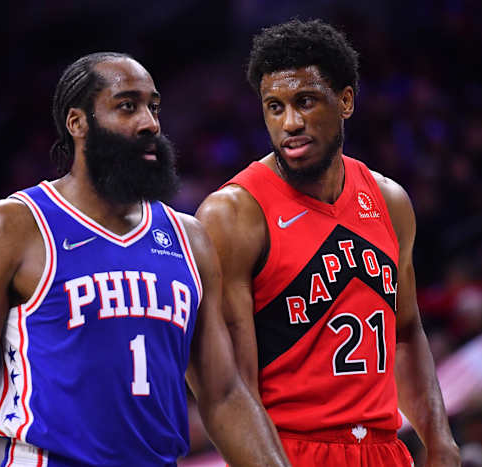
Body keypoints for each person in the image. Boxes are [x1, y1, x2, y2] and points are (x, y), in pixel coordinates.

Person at [0, 52, 289, 467]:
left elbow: (224, 394)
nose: (150, 123)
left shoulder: (189, 238)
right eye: (127, 106)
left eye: (153, 107)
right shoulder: (9, 228)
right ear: (78, 122)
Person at [196, 19, 461, 466]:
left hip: (384, 448)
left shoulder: (389, 201)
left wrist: (440, 441)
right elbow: (231, 388)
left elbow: (407, 334)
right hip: (288, 449)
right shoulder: (233, 216)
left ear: (345, 101)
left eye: (305, 102)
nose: (291, 123)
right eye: (274, 108)